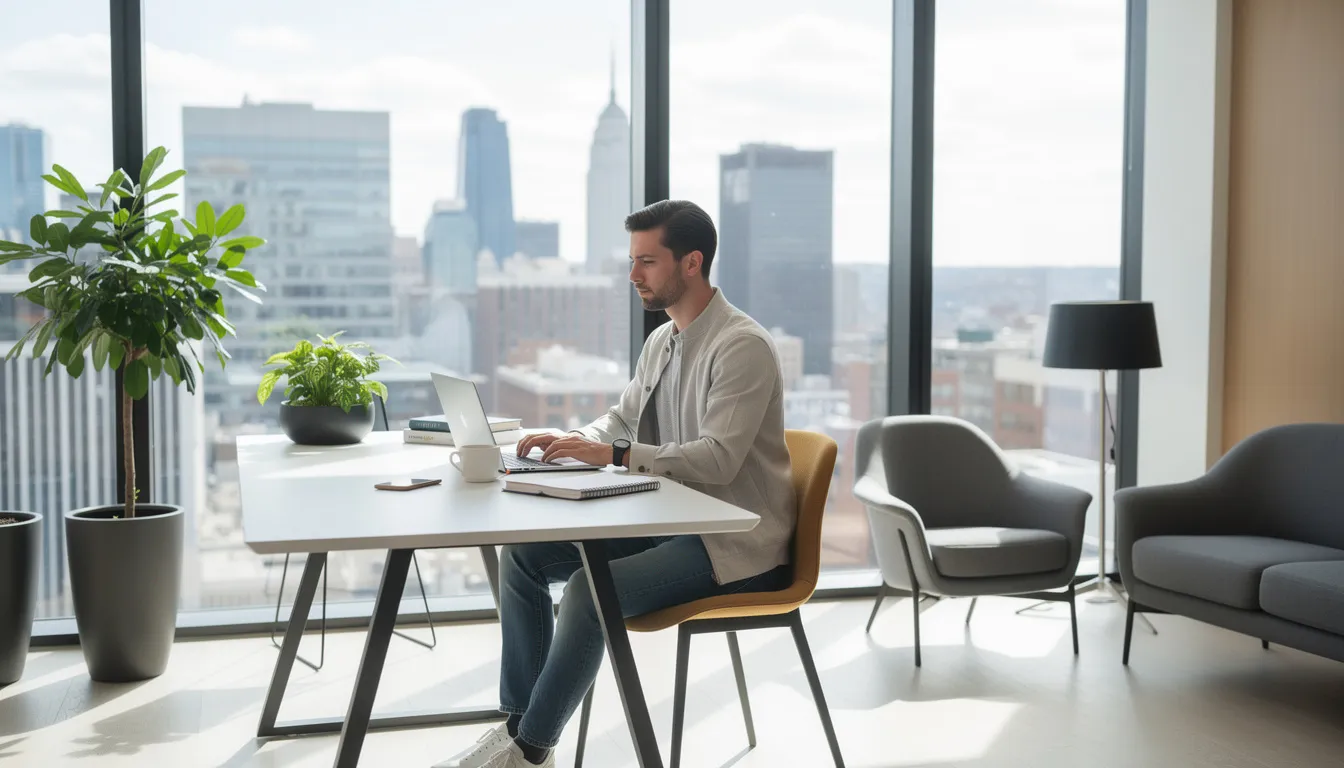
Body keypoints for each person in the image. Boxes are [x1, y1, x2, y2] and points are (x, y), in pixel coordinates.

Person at [434, 200, 797, 768]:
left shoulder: (740, 346)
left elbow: (720, 460)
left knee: (586, 590)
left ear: (693, 263)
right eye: (633, 261)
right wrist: (573, 440)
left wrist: (614, 453)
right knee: (523, 558)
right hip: (671, 523)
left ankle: (528, 751)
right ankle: (519, 729)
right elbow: (622, 421)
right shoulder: (663, 341)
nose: (633, 276)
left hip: (733, 543)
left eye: (646, 262)